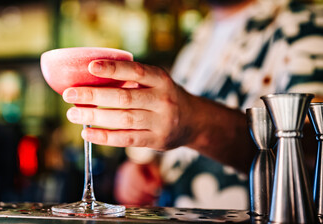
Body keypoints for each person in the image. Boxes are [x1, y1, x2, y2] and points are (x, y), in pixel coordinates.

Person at [62, 0, 323, 209]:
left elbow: (312, 146)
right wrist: (142, 167)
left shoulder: (306, 22)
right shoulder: (199, 39)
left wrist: (197, 123)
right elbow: (175, 137)